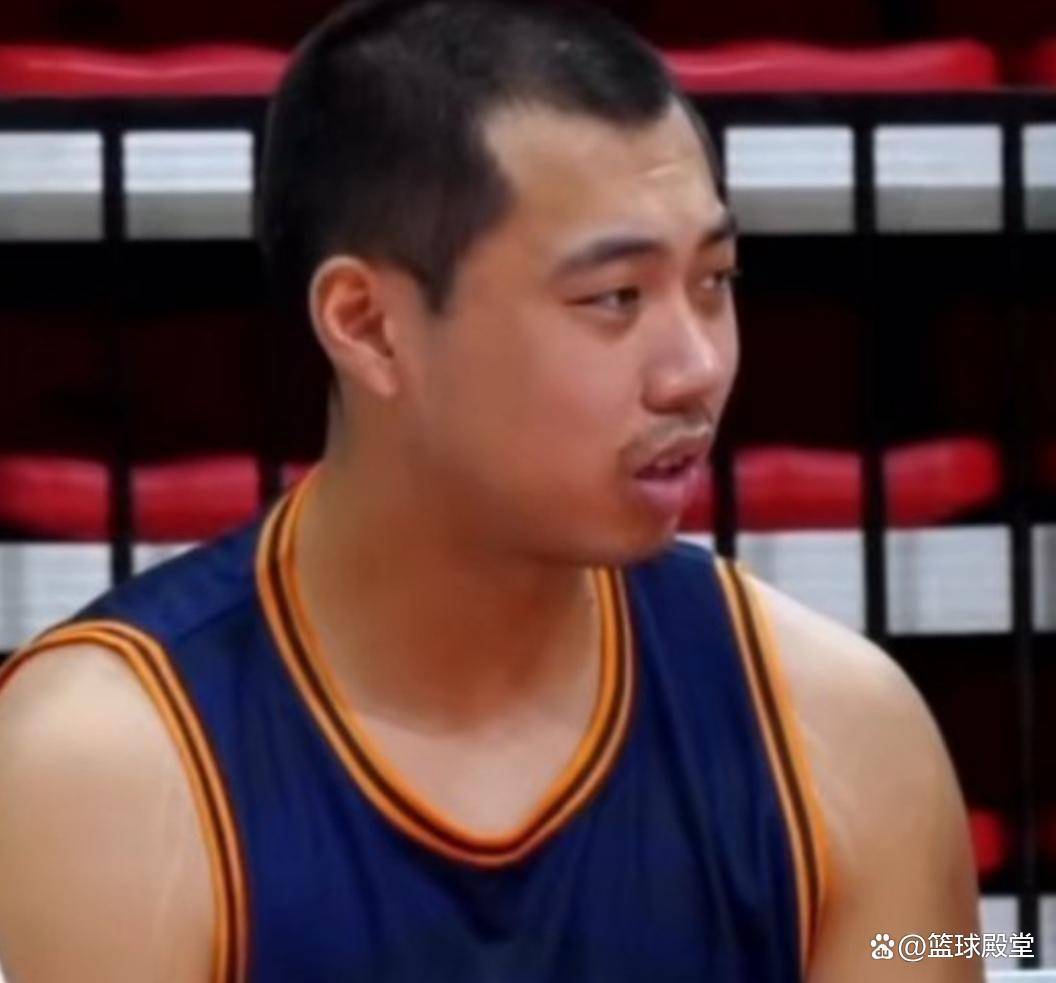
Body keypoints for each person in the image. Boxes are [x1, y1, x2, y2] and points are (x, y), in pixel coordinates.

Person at [0, 1, 982, 980]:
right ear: (368, 326)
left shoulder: (844, 731)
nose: (696, 369)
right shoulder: (105, 763)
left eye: (715, 280)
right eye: (615, 297)